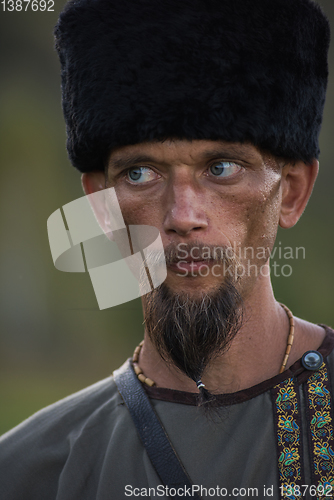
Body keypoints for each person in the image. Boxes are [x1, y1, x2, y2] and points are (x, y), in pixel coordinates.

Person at [1, 0, 333, 499]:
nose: (182, 215)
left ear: (291, 191)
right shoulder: (29, 472)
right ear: (104, 208)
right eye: (141, 173)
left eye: (222, 167)